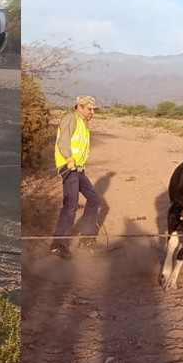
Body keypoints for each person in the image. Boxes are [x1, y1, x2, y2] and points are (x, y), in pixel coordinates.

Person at [49, 95, 105, 259]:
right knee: (71, 206)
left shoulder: (83, 123)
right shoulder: (70, 118)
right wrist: (68, 158)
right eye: (89, 109)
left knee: (94, 199)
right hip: (68, 167)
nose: (92, 112)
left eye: (93, 109)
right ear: (79, 107)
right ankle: (58, 245)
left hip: (79, 169)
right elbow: (63, 141)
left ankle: (86, 240)